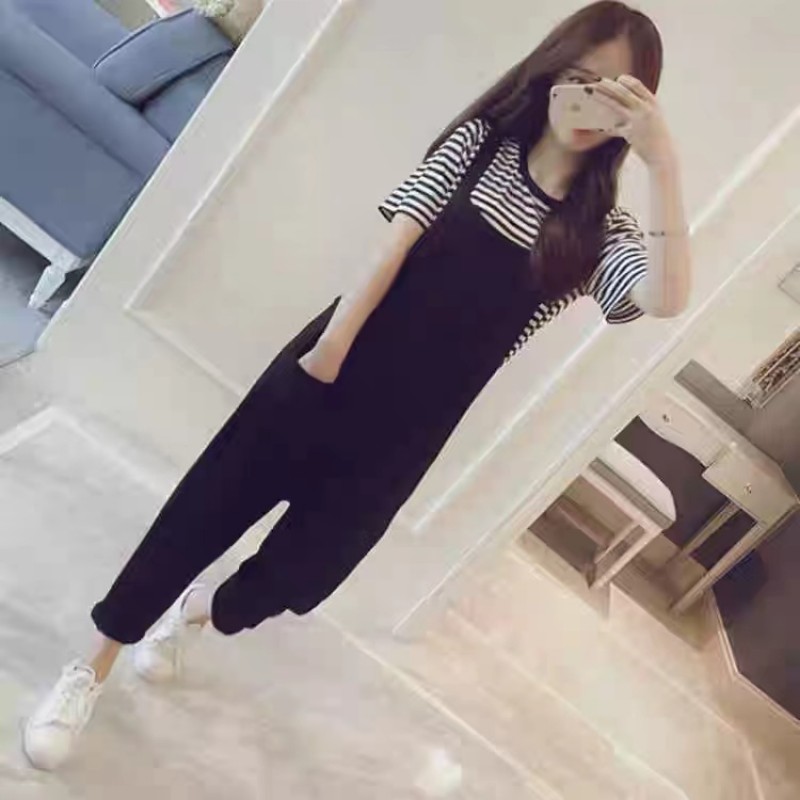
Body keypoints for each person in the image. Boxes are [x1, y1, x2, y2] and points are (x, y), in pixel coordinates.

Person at [23, 0, 691, 771]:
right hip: (332, 366)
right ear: (549, 73)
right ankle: (92, 667)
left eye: (616, 93)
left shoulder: (597, 235)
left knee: (307, 571)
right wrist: (329, 353)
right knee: (202, 515)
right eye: (580, 78)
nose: (590, 102)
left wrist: (665, 164)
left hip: (411, 430)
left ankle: (200, 611)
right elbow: (393, 244)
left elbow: (665, 299)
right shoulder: (478, 146)